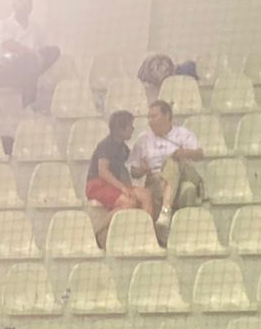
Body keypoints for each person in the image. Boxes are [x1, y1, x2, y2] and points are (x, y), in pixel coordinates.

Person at [129, 101, 205, 231]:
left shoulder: (183, 134)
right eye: (149, 117)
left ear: (167, 115)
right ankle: (181, 230)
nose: (150, 121)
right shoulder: (143, 139)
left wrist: (183, 153)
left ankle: (165, 212)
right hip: (157, 180)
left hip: (184, 174)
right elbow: (133, 171)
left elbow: (200, 154)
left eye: (154, 116)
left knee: (172, 161)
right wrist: (142, 170)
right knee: (188, 189)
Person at [86, 110, 154, 242]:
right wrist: (123, 188)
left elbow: (134, 170)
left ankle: (145, 233)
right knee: (129, 202)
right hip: (97, 185)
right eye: (130, 126)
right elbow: (103, 172)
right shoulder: (106, 145)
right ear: (120, 129)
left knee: (146, 194)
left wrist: (144, 169)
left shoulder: (123, 147)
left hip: (114, 185)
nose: (133, 129)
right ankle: (96, 230)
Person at [0, 0, 60, 109]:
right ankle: (29, 105)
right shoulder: (5, 24)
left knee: (54, 51)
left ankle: (33, 104)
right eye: (21, 0)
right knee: (29, 60)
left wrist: (42, 56)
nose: (26, 4)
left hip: (27, 71)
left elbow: (44, 49)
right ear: (14, 5)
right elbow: (9, 44)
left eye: (29, 1)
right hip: (3, 72)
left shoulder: (35, 28)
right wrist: (32, 54)